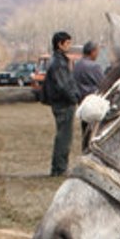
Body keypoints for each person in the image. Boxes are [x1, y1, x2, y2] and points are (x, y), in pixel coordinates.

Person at [42, 31, 80, 176]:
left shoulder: (59, 60)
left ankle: (60, 166)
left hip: (63, 102)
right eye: (68, 43)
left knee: (64, 135)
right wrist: (74, 98)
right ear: (60, 44)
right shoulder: (58, 63)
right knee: (64, 137)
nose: (69, 46)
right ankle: (59, 168)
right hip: (63, 103)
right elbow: (64, 85)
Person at [73, 40, 107, 148]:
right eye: (97, 51)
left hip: (82, 102)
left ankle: (85, 148)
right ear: (92, 52)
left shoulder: (77, 65)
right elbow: (103, 83)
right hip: (94, 103)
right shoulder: (94, 67)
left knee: (85, 130)